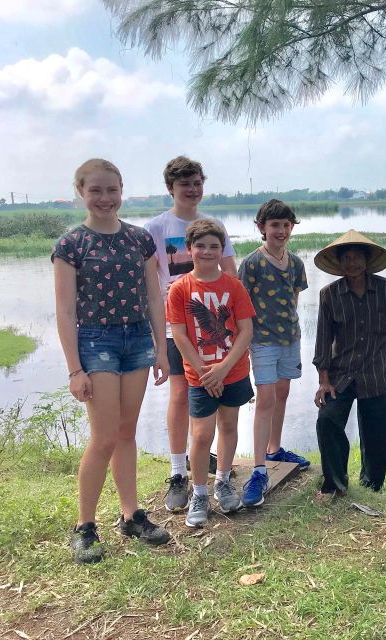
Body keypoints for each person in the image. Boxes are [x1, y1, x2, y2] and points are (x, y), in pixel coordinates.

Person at [53, 158, 171, 564]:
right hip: (95, 340)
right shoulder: (71, 245)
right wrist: (74, 369)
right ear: (81, 193)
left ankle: (130, 515)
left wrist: (161, 347)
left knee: (125, 432)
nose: (105, 198)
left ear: (122, 190)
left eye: (111, 190)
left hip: (137, 337)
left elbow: (155, 296)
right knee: (103, 437)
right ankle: (84, 526)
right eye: (95, 191)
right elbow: (66, 311)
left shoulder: (140, 240)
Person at [144, 156, 237, 512]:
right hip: (175, 326)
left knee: (218, 398)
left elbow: (230, 274)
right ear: (171, 188)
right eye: (185, 184)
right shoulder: (156, 227)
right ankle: (178, 472)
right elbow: (150, 283)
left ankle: (212, 466)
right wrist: (157, 336)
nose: (192, 190)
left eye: (197, 183)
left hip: (213, 330)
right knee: (181, 395)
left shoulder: (213, 226)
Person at [167, 219, 256, 527]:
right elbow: (179, 334)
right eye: (201, 246)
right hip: (200, 376)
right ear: (189, 249)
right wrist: (205, 371)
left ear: (223, 250)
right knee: (202, 434)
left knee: (229, 426)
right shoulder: (180, 288)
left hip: (233, 370)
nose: (207, 251)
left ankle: (222, 481)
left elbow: (245, 331)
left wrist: (223, 368)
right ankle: (199, 493)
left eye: (214, 246)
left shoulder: (234, 285)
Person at [312, 230, 386, 500]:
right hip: (341, 374)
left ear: (367, 260)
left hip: (378, 372)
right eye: (347, 258)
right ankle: (336, 482)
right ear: (339, 263)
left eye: (358, 258)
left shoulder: (384, 288)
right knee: (327, 420)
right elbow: (323, 342)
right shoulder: (329, 295)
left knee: (377, 431)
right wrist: (323, 381)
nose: (352, 263)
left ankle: (371, 484)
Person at [238, 200, 310, 507]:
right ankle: (258, 470)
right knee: (265, 398)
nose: (280, 231)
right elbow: (241, 306)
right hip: (263, 341)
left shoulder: (295, 263)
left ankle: (274, 448)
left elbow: (292, 300)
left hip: (290, 338)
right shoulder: (252, 263)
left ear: (292, 227)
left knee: (282, 393)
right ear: (261, 228)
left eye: (286, 225)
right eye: (274, 225)